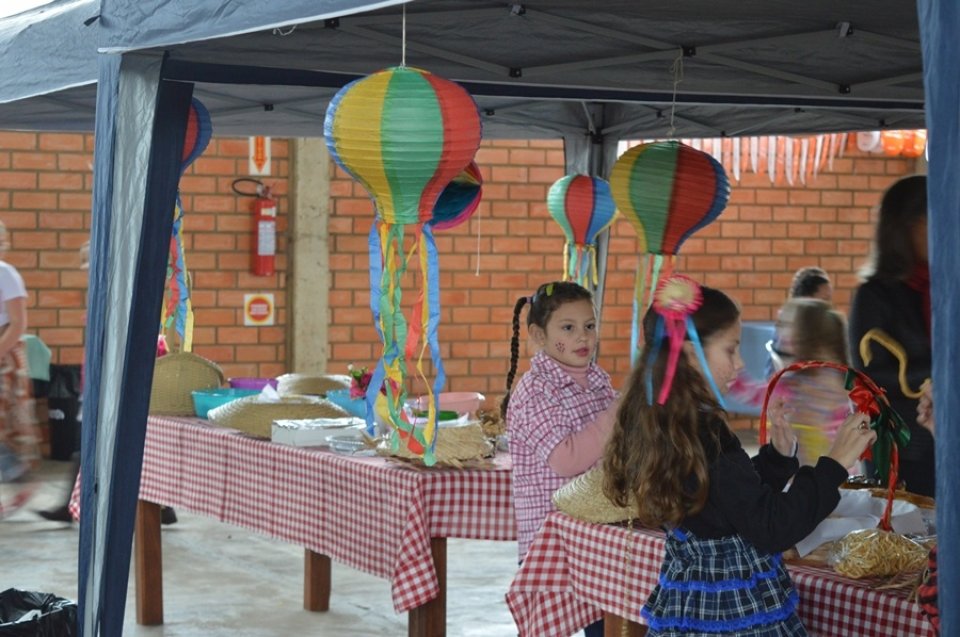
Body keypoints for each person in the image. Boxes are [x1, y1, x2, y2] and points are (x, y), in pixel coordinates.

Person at [602, 275, 876, 636]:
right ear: (688, 354)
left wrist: (776, 458)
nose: (741, 364)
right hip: (729, 614)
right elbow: (771, 527)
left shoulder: (672, 422)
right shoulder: (702, 433)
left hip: (696, 599)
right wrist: (832, 466)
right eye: (731, 349)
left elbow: (725, 500)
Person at [502, 281, 616, 637]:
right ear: (538, 335)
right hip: (553, 544)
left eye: (589, 325)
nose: (583, 337)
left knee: (607, 624)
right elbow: (567, 460)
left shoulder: (598, 381)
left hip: (598, 535)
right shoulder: (534, 391)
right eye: (568, 328)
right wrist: (618, 415)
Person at [849, 174, 933, 496]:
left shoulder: (944, 287)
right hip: (903, 447)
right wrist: (938, 372)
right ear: (905, 226)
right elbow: (868, 378)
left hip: (945, 438)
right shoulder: (875, 295)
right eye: (932, 219)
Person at [769, 298, 852, 467]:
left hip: (829, 479)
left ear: (807, 334)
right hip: (810, 477)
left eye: (785, 324)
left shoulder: (827, 383)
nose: (778, 330)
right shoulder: (799, 378)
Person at [0, 221, 38, 492]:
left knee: (8, 421)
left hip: (6, 351)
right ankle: (14, 472)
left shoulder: (6, 273)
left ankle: (17, 473)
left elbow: (18, 323)